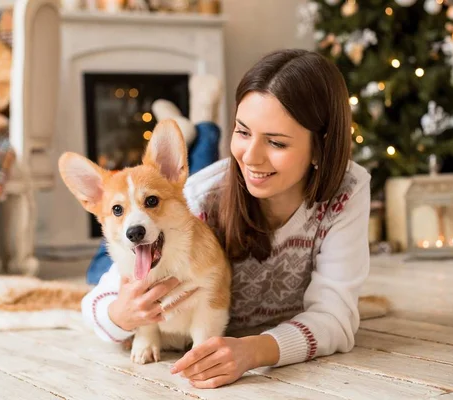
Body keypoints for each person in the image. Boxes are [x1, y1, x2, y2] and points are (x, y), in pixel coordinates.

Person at [81, 49, 371, 389]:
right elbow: (97, 304)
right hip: (146, 235)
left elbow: (336, 318)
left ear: (321, 147)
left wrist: (255, 351)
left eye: (276, 142)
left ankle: (200, 127)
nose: (251, 157)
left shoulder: (347, 191)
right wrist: (121, 315)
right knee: (97, 269)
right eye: (243, 131)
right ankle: (201, 127)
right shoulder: (193, 203)